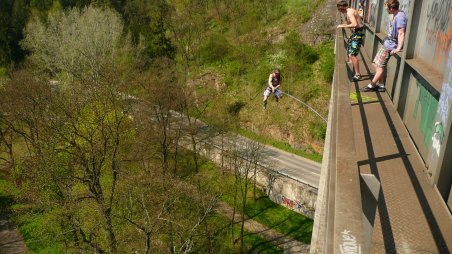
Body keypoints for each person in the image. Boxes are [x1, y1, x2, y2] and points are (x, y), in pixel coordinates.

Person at [360, 0, 407, 92]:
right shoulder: (396, 15)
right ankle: (381, 84)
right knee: (376, 64)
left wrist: (398, 48)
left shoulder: (400, 17)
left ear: (392, 8)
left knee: (379, 67)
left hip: (391, 45)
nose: (386, 10)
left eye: (387, 8)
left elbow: (401, 33)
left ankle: (372, 85)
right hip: (387, 43)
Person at [336, 0, 365, 81]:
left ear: (344, 7)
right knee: (350, 53)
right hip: (356, 33)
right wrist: (344, 24)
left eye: (341, 9)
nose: (340, 11)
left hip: (358, 33)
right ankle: (354, 70)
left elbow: (355, 24)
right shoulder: (349, 11)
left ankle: (358, 74)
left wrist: (343, 26)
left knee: (352, 55)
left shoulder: (349, 12)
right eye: (339, 10)